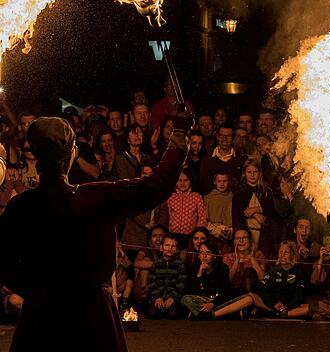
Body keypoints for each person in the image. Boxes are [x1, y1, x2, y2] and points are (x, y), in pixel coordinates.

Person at [0, 115, 189, 351]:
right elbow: (156, 185)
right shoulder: (97, 198)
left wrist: (38, 292)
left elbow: (3, 264)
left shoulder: (21, 207)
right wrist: (179, 133)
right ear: (70, 155)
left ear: (36, 155)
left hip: (40, 320)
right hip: (91, 319)